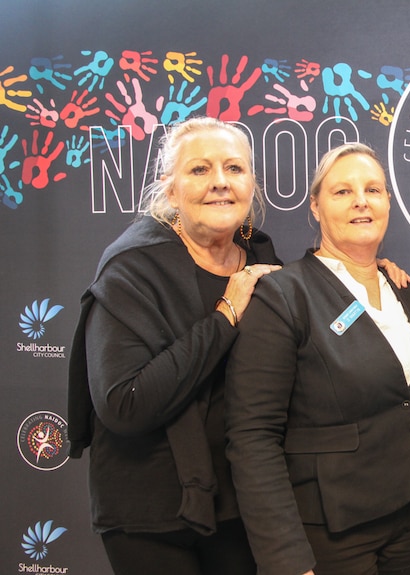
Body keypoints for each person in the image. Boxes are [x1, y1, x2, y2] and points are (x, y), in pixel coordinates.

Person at [66, 116, 283, 575]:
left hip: (240, 505)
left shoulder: (262, 256)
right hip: (149, 512)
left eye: (234, 168)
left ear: (252, 184)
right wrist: (226, 315)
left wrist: (368, 272)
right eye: (200, 170)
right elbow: (124, 404)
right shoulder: (131, 267)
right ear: (170, 189)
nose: (220, 183)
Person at [223, 142, 410, 575]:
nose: (361, 200)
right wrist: (285, 557)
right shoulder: (284, 296)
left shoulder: (406, 291)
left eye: (373, 190)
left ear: (388, 203)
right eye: (342, 191)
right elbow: (253, 436)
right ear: (316, 207)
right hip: (330, 534)